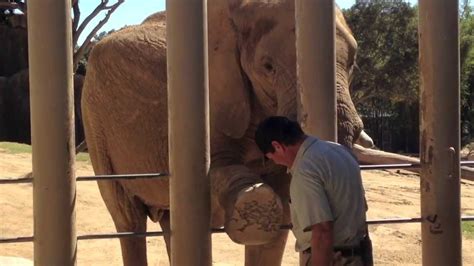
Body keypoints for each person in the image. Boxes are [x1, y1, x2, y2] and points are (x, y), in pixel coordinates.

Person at [255, 116, 373, 266]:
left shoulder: (305, 170)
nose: (276, 162)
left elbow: (322, 232)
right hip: (359, 254)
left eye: (271, 158)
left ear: (277, 146)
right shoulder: (341, 151)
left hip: (334, 258)